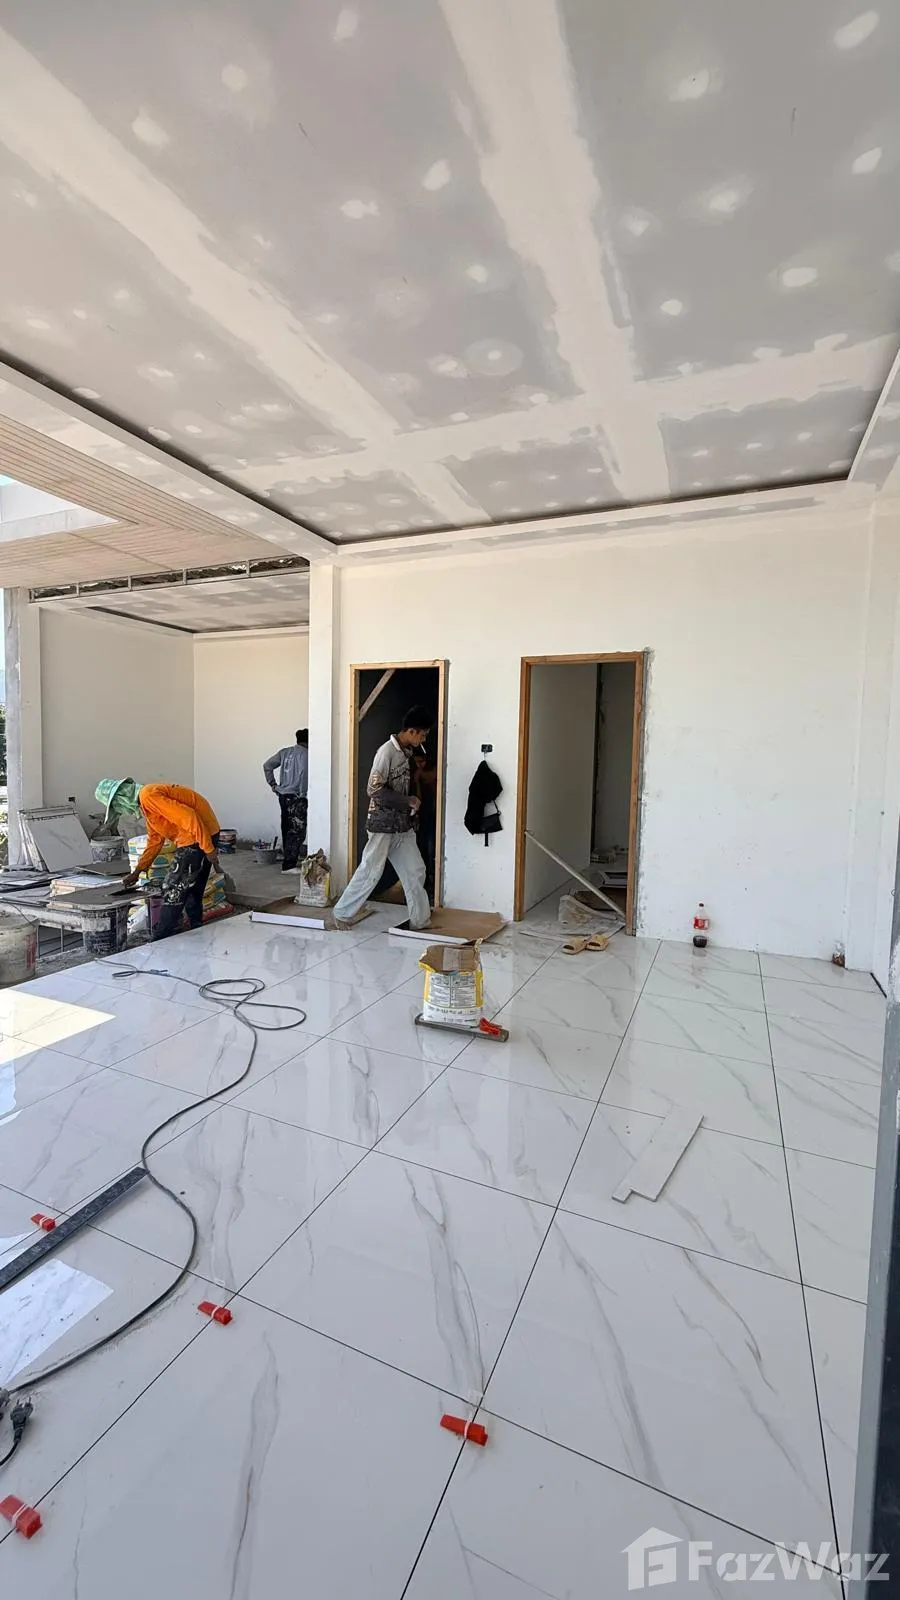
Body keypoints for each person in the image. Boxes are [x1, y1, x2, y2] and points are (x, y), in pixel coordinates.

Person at [333, 706, 432, 929]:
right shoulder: (386, 752)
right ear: (412, 731)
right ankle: (342, 914)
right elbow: (374, 789)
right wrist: (408, 800)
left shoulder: (406, 753)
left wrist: (410, 805)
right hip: (383, 825)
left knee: (415, 871)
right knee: (371, 870)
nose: (424, 739)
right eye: (423, 734)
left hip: (402, 826)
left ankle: (420, 921)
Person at [95, 778, 221, 942]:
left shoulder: (148, 796)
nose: (121, 811)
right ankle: (196, 929)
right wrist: (138, 871)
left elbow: (189, 817)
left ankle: (161, 936)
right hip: (204, 832)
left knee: (173, 888)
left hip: (197, 836)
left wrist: (208, 848)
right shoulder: (147, 804)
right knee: (193, 888)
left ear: (121, 798)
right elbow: (155, 840)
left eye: (117, 807)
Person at [263, 728, 309, 872]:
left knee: (287, 828)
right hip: (296, 797)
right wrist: (302, 794)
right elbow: (303, 773)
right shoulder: (306, 754)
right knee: (297, 831)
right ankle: (289, 865)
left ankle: (288, 861)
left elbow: (267, 765)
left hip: (283, 796)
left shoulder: (284, 752)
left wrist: (273, 785)